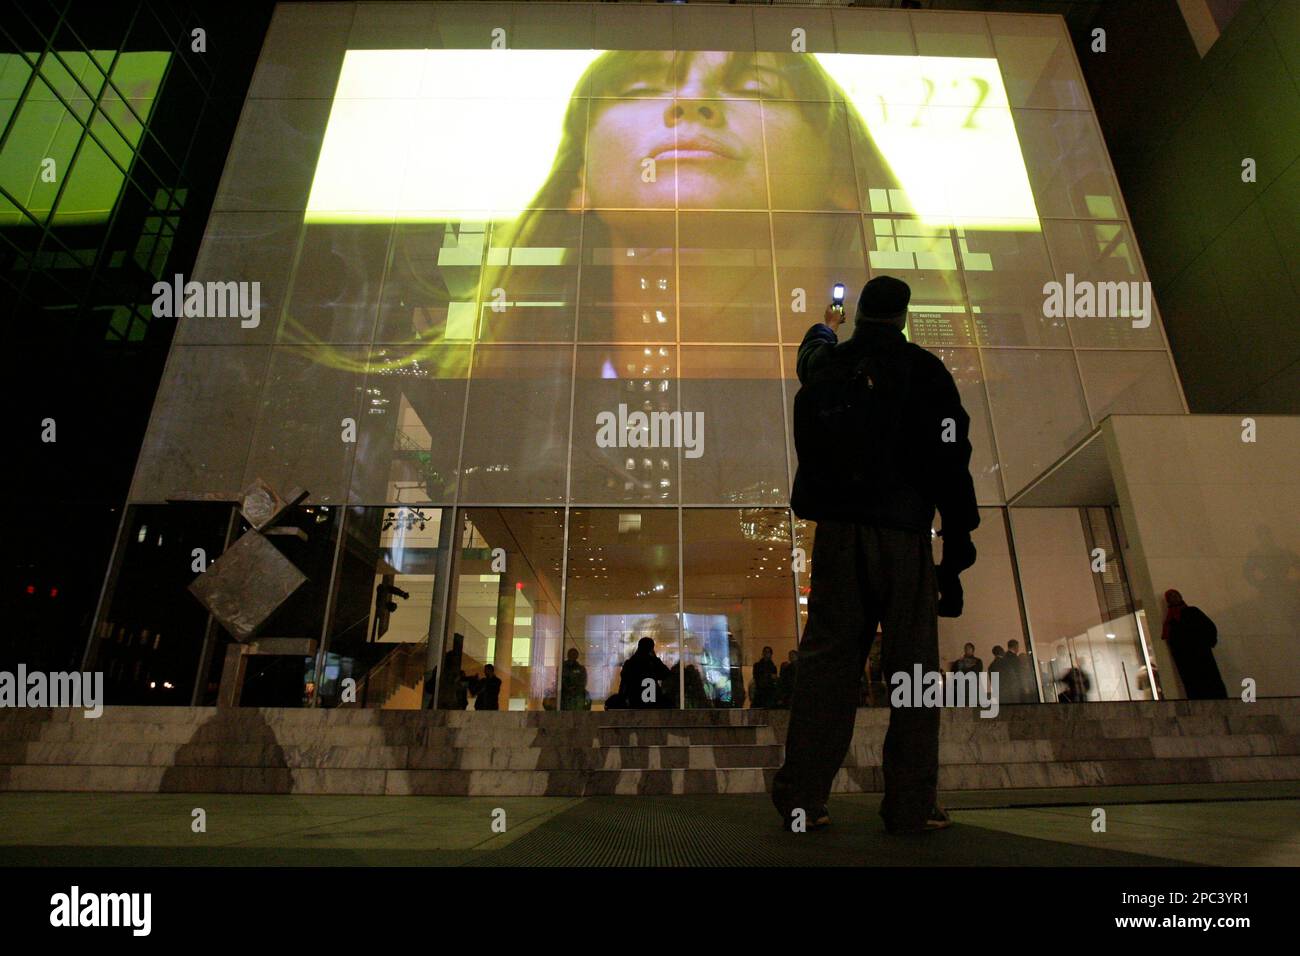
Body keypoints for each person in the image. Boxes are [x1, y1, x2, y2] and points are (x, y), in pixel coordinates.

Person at [773, 275, 980, 835]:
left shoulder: (832, 364)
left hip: (840, 535)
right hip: (903, 534)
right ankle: (911, 805)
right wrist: (956, 549)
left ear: (860, 313)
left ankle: (802, 800)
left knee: (827, 667)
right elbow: (951, 462)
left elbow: (810, 355)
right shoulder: (927, 371)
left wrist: (826, 323)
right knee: (912, 672)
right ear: (905, 318)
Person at [1162, 589, 1227, 699]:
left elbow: (1209, 627)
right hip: (1187, 658)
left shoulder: (1192, 612)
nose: (1174, 598)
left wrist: (1206, 642)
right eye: (1171, 597)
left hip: (1200, 653)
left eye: (1175, 595)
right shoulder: (1170, 620)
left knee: (1210, 678)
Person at [612, 637, 673, 709]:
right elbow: (666, 674)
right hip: (652, 701)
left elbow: (624, 683)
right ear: (651, 649)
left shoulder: (631, 663)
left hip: (635, 701)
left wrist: (622, 699)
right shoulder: (652, 662)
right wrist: (655, 658)